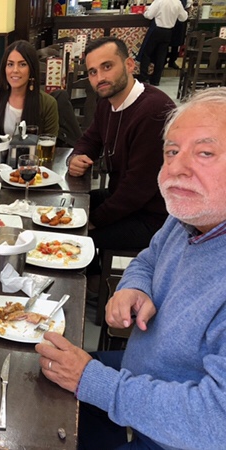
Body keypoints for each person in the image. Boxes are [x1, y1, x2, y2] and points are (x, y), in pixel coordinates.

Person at [36, 88, 226, 449]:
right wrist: (134, 286)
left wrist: (94, 382)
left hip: (175, 436)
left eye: (205, 153)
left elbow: (214, 422)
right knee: (42, 376)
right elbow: (149, 258)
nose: (177, 168)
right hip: (139, 370)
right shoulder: (188, 219)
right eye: (172, 152)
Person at [67, 37, 173, 276]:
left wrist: (93, 221)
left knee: (77, 237)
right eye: (93, 72)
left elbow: (136, 190)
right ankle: (93, 278)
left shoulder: (154, 111)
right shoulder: (108, 102)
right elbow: (90, 138)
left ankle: (92, 285)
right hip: (124, 200)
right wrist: (76, 157)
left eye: (107, 66)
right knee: (68, 208)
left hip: (153, 217)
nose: (100, 78)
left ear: (129, 65)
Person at [0, 40, 59, 137]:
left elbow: (49, 141)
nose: (15, 70)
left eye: (22, 64)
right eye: (10, 64)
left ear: (31, 69)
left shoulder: (48, 103)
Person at [138, 0, 188, 86]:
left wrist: (145, 11)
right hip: (168, 31)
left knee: (146, 53)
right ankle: (156, 80)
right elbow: (183, 18)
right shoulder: (177, 2)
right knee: (161, 55)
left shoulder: (159, 1)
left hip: (157, 30)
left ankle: (143, 77)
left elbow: (149, 16)